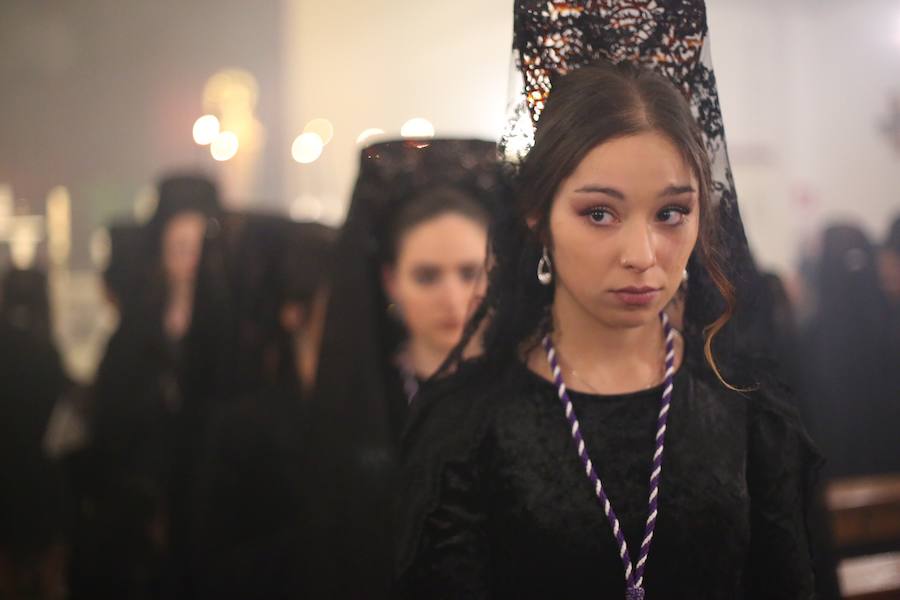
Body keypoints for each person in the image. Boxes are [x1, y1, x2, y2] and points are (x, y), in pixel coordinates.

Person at [395, 3, 821, 598]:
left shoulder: (747, 411)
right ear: (537, 218)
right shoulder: (469, 425)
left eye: (671, 213)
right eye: (600, 213)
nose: (642, 253)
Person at [304, 139, 504, 598]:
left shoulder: (529, 389)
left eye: (471, 271)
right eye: (427, 275)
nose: (454, 299)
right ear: (390, 280)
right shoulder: (361, 400)